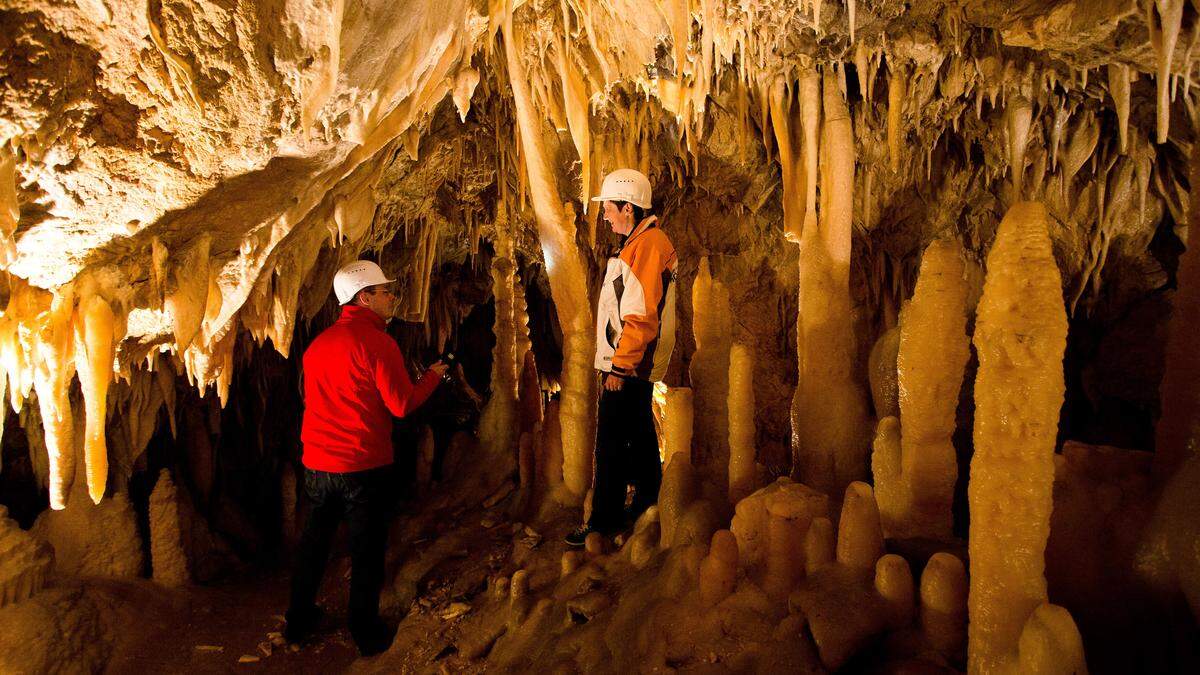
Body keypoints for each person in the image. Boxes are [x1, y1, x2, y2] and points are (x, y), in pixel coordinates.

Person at [285, 260, 448, 655]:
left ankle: (298, 620)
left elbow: (312, 400)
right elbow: (401, 404)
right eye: (385, 291)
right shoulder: (377, 342)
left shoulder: (318, 345)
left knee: (314, 544)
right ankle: (366, 632)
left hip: (318, 465)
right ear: (364, 297)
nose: (392, 297)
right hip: (361, 466)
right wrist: (435, 376)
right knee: (366, 549)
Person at [566, 168, 678, 546]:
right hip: (631, 362)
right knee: (640, 434)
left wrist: (620, 366)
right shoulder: (636, 244)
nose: (605, 215)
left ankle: (603, 521)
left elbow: (641, 314)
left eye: (609, 208)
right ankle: (648, 503)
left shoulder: (647, 245)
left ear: (628, 207)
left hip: (629, 364)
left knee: (611, 442)